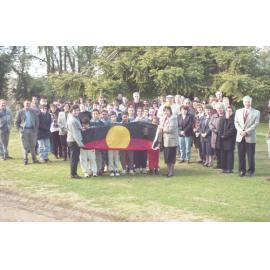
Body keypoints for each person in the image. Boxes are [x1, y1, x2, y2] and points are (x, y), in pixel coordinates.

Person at [234, 96, 260, 177]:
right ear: (243, 102)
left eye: (249, 102)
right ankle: (242, 171)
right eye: (246, 102)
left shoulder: (256, 112)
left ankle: (251, 171)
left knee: (250, 156)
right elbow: (236, 122)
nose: (247, 103)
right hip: (240, 136)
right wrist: (240, 131)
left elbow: (256, 124)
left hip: (250, 137)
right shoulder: (238, 111)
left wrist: (246, 132)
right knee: (241, 155)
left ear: (251, 102)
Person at [15, 100, 39, 165]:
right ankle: (25, 160)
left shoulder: (33, 111)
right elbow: (16, 122)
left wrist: (36, 129)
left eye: (29, 104)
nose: (27, 105)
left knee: (33, 145)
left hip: (32, 130)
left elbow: (37, 121)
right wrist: (19, 130)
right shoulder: (20, 112)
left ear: (30, 105)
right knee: (25, 146)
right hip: (24, 130)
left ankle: (34, 159)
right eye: (26, 104)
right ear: (24, 104)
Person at [159, 106, 178, 177]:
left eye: (167, 111)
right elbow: (160, 126)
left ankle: (171, 172)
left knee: (171, 157)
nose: (166, 112)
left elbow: (171, 129)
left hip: (171, 141)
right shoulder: (164, 118)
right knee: (167, 157)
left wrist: (162, 129)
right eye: (164, 111)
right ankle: (168, 171)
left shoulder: (173, 118)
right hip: (165, 140)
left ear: (170, 111)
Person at [67, 105, 85, 179]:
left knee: (75, 158)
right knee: (74, 158)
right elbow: (75, 133)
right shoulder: (72, 120)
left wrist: (81, 128)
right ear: (71, 111)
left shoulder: (75, 118)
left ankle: (74, 173)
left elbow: (78, 128)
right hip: (74, 141)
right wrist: (80, 143)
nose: (76, 112)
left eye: (78, 110)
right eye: (75, 110)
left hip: (74, 141)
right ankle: (73, 174)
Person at [217, 106, 237, 173]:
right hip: (222, 140)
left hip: (230, 140)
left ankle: (229, 169)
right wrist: (221, 135)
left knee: (229, 155)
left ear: (232, 112)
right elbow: (219, 128)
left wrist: (224, 135)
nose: (228, 112)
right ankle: (224, 168)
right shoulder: (222, 118)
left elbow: (233, 130)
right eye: (227, 110)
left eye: (230, 111)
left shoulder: (234, 119)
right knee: (223, 154)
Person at [209, 102, 225, 169]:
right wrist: (214, 130)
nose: (219, 110)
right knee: (216, 150)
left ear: (223, 109)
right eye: (218, 108)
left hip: (222, 136)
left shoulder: (225, 116)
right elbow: (210, 124)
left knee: (222, 151)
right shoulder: (213, 116)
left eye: (220, 108)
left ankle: (223, 164)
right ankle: (218, 164)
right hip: (215, 135)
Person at [108, 112, 120, 176]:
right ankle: (111, 170)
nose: (113, 118)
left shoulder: (119, 124)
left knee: (116, 157)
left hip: (117, 143)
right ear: (110, 118)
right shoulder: (107, 124)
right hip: (110, 143)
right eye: (112, 117)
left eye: (114, 117)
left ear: (116, 117)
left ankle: (116, 169)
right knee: (110, 157)